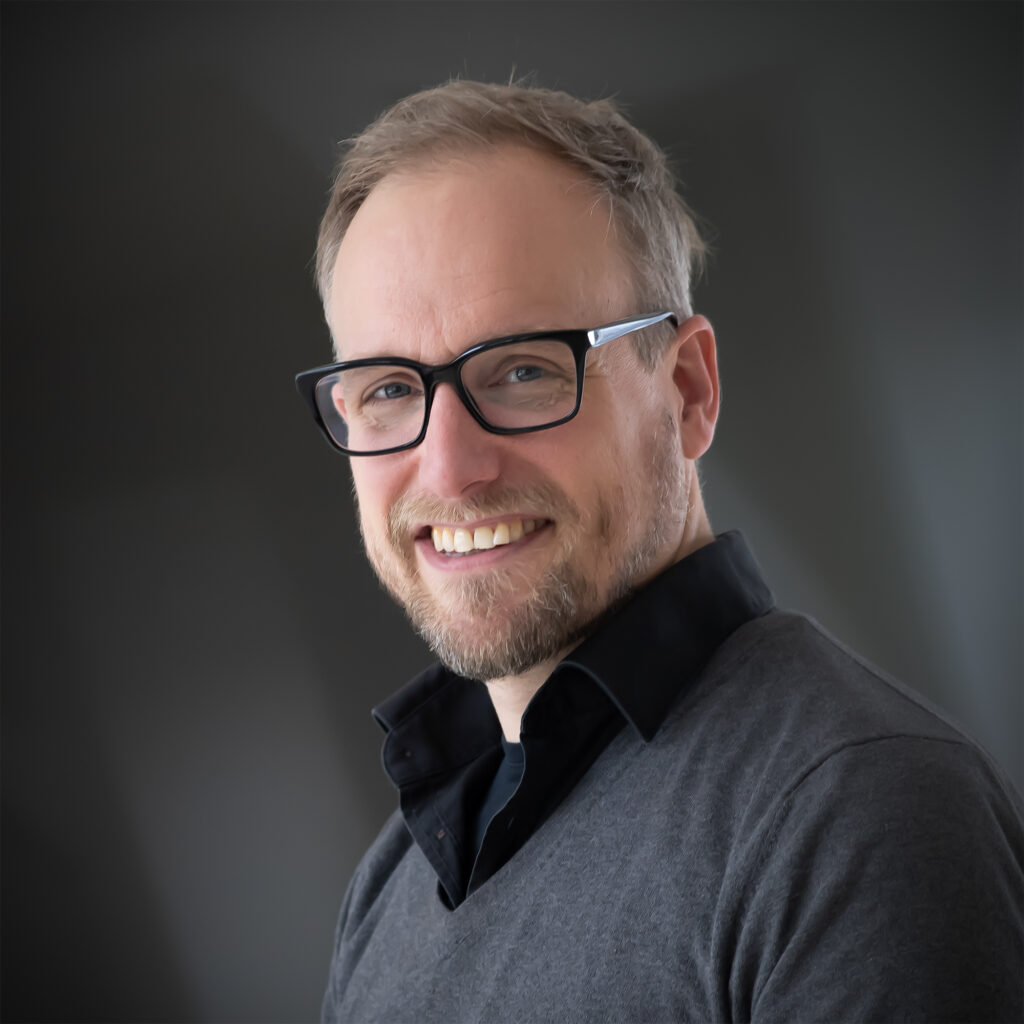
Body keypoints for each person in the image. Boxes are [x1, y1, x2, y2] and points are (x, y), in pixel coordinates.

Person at [295, 80, 1024, 1023]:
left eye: (523, 371)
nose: (451, 468)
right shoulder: (390, 886)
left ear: (687, 390)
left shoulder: (857, 809)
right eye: (390, 391)